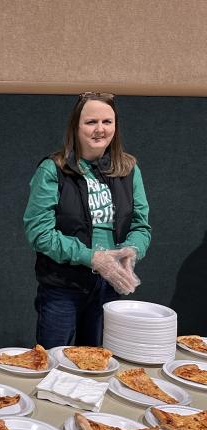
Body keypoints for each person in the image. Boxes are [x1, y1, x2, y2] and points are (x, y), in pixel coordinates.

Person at [23, 92, 151, 348]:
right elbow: (39, 233)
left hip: (111, 286)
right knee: (53, 366)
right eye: (91, 122)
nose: (100, 129)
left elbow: (141, 226)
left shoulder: (128, 168)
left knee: (99, 364)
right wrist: (92, 258)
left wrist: (132, 250)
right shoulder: (53, 169)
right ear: (75, 126)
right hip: (63, 287)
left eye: (107, 122)